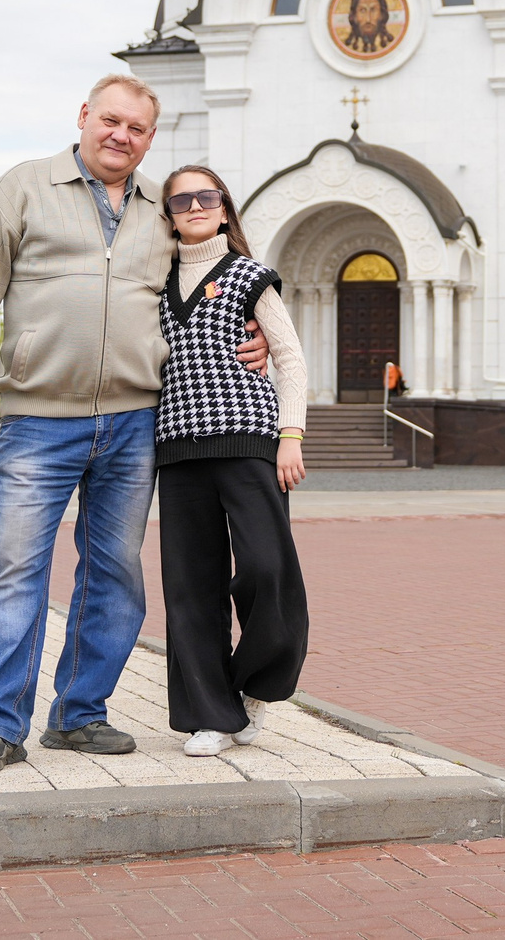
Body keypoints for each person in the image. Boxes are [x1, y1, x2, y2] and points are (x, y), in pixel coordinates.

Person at [0, 74, 271, 775]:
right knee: (14, 569)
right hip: (37, 418)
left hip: (134, 421)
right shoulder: (24, 187)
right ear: (85, 115)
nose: (121, 136)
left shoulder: (163, 205)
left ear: (152, 137)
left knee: (115, 574)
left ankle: (80, 713)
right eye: (111, 120)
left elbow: (214, 274)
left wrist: (258, 328)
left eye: (138, 128)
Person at [152, 166, 309, 756]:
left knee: (267, 570)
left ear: (223, 209)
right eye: (181, 199)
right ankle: (211, 717)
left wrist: (290, 436)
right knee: (190, 588)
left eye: (206, 196)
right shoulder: (153, 281)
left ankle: (255, 688)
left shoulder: (250, 277)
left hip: (250, 441)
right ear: (168, 213)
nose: (194, 205)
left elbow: (289, 359)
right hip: (177, 446)